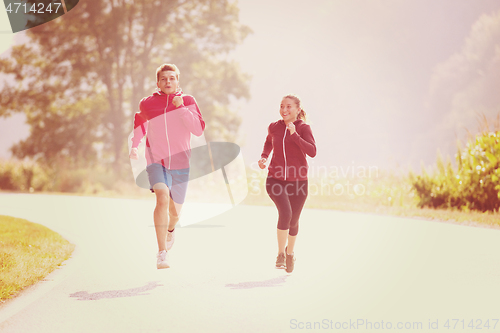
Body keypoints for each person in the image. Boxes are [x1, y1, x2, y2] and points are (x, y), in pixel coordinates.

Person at [130, 64, 205, 269]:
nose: (168, 82)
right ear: (158, 83)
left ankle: (171, 229)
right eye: (164, 79)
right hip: (156, 161)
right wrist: (135, 146)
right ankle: (162, 253)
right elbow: (140, 123)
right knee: (162, 198)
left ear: (177, 81)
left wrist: (180, 108)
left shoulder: (188, 101)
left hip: (181, 164)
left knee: (175, 212)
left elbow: (198, 129)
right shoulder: (148, 103)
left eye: (172, 78)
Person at [258, 94, 316, 273]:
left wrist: (295, 135)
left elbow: (312, 151)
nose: (284, 110)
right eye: (282, 106)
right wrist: (264, 156)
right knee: (286, 213)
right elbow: (269, 142)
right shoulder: (274, 127)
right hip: (275, 179)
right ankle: (280, 254)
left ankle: (290, 253)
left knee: (294, 220)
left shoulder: (304, 128)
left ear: (298, 109)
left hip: (299, 181)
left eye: (288, 106)